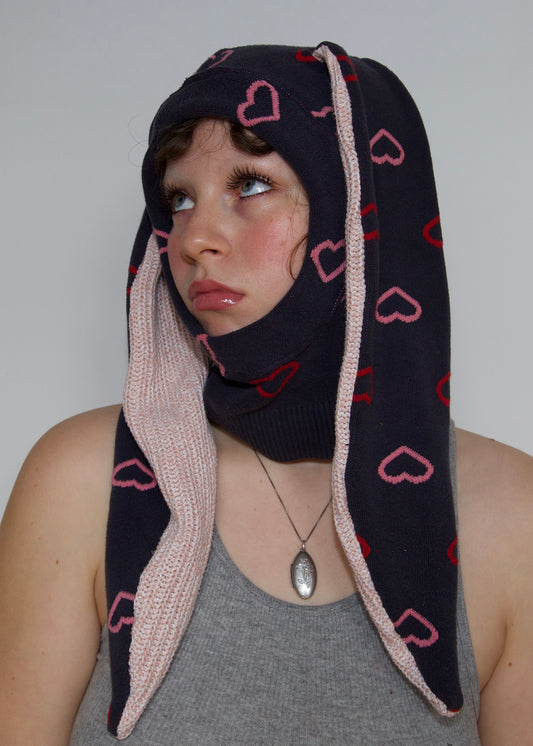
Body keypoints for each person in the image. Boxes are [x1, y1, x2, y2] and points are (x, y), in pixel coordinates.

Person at [0, 42, 532, 745]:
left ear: (361, 210)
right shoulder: (83, 481)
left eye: (250, 185)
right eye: (178, 199)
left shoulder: (513, 517)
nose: (194, 238)